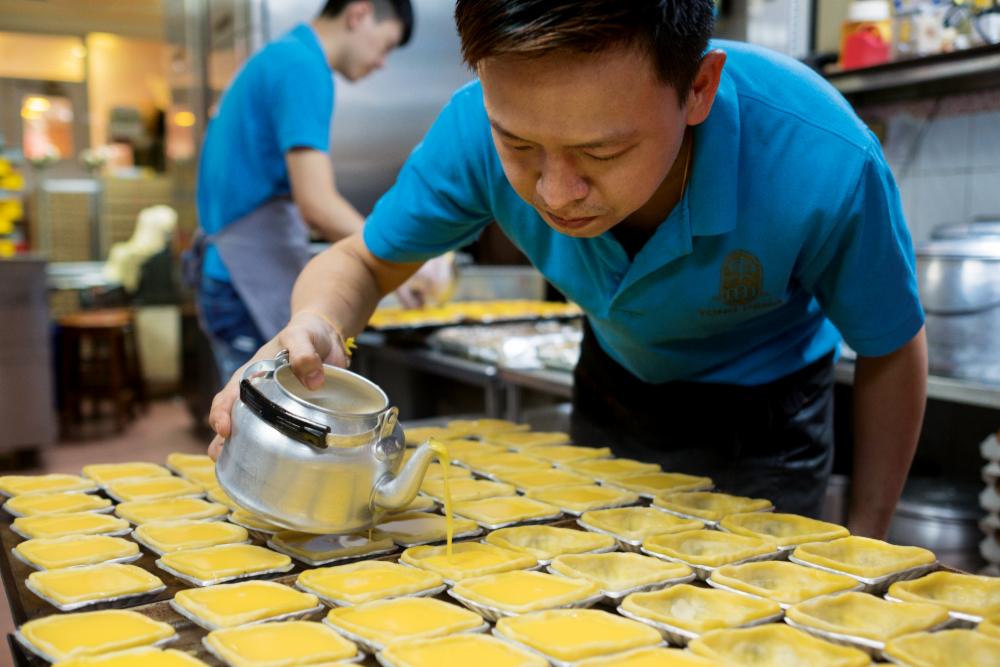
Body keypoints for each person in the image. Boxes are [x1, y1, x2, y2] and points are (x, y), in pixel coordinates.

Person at [208, 0, 928, 539]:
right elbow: (360, 261)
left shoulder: (822, 159)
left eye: (603, 154)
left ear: (700, 88)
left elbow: (894, 346)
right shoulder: (472, 131)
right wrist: (316, 321)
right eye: (519, 145)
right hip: (615, 385)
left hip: (767, 412)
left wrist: (867, 534)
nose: (556, 193)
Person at [189, 0, 414, 384]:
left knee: (255, 423)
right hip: (242, 280)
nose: (382, 63)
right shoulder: (302, 68)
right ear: (358, 14)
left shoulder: (278, 57)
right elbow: (317, 204)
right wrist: (401, 261)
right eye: (387, 45)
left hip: (226, 275)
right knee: (263, 428)